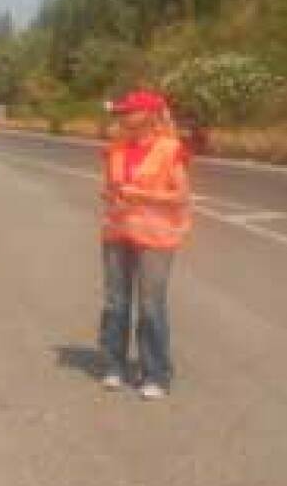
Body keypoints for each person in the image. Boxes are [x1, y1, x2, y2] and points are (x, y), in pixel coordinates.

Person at [99, 90, 192, 400]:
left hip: (156, 236)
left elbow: (181, 196)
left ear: (149, 115)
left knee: (151, 306)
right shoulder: (115, 148)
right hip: (117, 232)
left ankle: (155, 373)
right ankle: (114, 365)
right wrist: (111, 195)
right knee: (116, 303)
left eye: (128, 112)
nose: (122, 117)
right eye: (121, 112)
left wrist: (142, 196)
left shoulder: (170, 149)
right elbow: (109, 187)